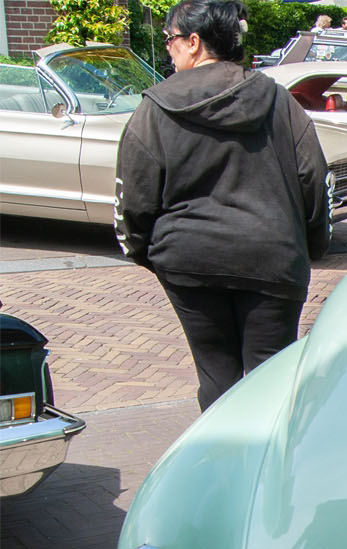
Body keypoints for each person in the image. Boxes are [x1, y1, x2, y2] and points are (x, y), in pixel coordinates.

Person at [115, 0, 329, 412]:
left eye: (171, 41)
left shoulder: (155, 109)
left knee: (216, 376)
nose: (169, 50)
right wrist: (311, 245)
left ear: (194, 43)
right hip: (272, 256)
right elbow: (312, 179)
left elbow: (135, 197)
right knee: (273, 379)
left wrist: (148, 252)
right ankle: (272, 468)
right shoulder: (279, 101)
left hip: (190, 259)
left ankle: (219, 462)